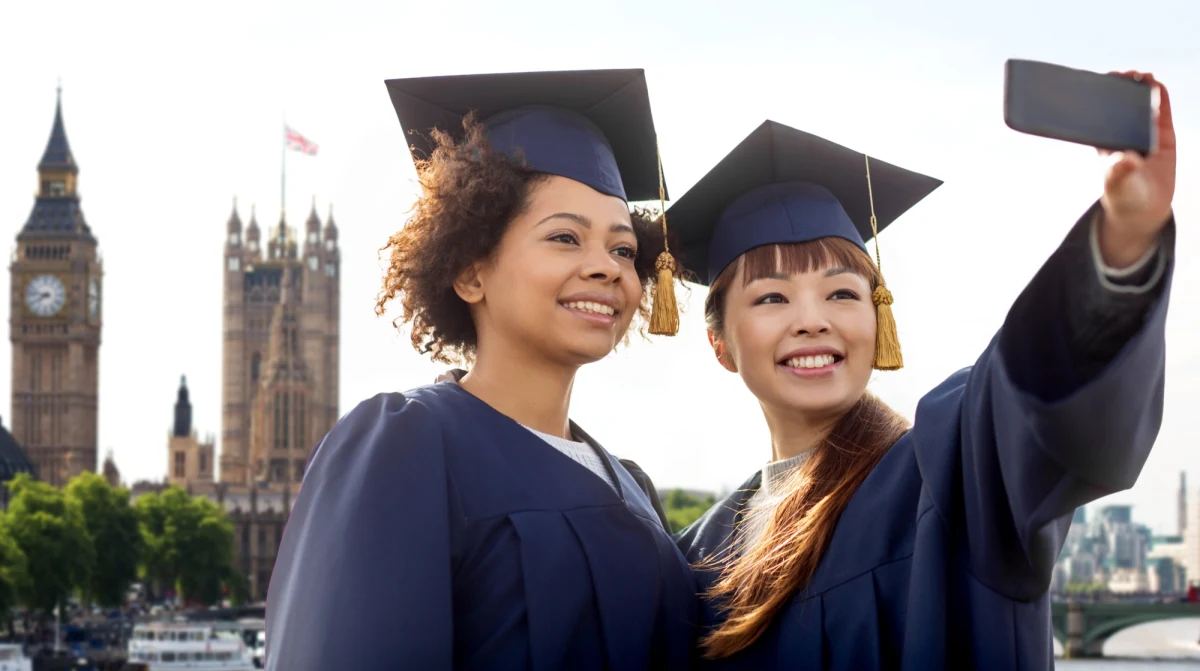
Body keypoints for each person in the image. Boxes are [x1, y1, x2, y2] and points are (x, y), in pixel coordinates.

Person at [672, 72, 1176, 669]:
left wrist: (1124, 241)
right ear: (720, 344)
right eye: (772, 299)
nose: (813, 321)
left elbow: (1029, 393)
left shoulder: (949, 473)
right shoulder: (699, 551)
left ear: (879, 319)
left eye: (842, 294)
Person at [265, 69, 697, 670]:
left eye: (623, 249)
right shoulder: (404, 447)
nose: (606, 267)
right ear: (470, 273)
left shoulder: (630, 486)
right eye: (566, 238)